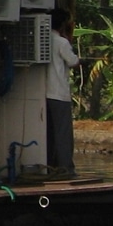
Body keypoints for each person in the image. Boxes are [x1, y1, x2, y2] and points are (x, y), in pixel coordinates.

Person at [47, 30, 81, 176]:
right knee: (63, 133)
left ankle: (51, 165)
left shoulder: (43, 38)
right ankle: (66, 168)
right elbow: (73, 61)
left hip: (44, 94)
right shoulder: (61, 42)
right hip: (59, 93)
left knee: (50, 133)